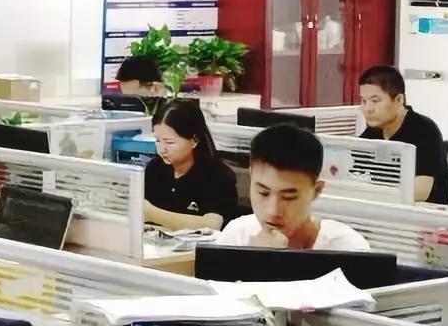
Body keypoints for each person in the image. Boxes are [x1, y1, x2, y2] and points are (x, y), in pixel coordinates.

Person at [218, 124, 370, 250]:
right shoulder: (236, 237)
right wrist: (251, 258)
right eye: (263, 193)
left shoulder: (347, 248)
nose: (273, 211)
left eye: (288, 197)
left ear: (316, 191)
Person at [358, 65, 448, 204]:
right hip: (385, 207)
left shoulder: (424, 130)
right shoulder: (374, 130)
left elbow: (421, 191)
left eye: (375, 101)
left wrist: (371, 193)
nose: (368, 109)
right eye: (364, 101)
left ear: (399, 100)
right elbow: (352, 170)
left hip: (422, 212)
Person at [144, 100, 239, 231]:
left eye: (169, 142)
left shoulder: (218, 176)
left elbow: (212, 225)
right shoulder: (155, 168)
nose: (162, 149)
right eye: (158, 140)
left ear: (194, 140)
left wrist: (152, 214)